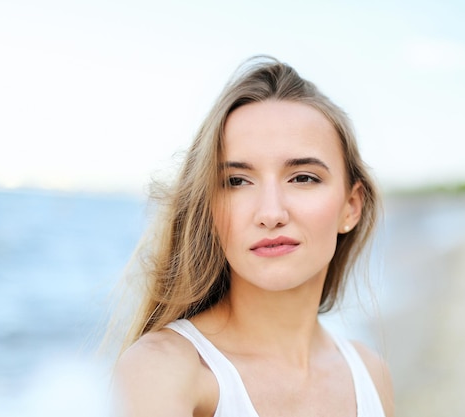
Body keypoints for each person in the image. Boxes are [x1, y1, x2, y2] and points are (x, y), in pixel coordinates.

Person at [112, 56, 395, 417]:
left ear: (351, 207)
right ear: (208, 209)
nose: (271, 214)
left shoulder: (370, 374)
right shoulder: (166, 370)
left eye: (303, 177)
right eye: (237, 181)